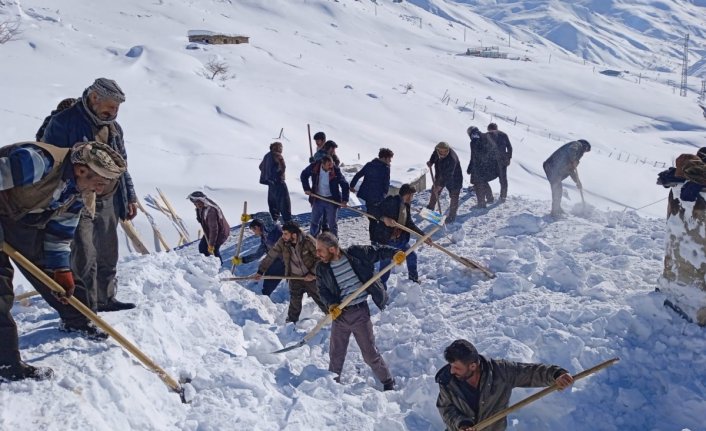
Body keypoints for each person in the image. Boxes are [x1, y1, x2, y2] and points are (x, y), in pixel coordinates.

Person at [0, 140, 127, 381]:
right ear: (81, 170)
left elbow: (59, 235)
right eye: (98, 183)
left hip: (19, 218)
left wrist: (60, 269)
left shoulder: (78, 192)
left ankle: (77, 320)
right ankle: (4, 364)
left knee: (52, 272)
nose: (98, 191)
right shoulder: (37, 162)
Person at [42, 78, 137, 313]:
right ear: (94, 98)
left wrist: (130, 195)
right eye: (111, 106)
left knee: (107, 251)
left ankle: (106, 298)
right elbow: (51, 161)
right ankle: (86, 307)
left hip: (109, 197)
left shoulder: (113, 127)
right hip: (77, 196)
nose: (114, 112)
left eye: (117, 108)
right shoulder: (64, 122)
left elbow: (121, 165)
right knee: (84, 254)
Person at [315, 232, 403, 391]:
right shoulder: (322, 268)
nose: (317, 254)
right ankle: (332, 386)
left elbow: (378, 251)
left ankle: (388, 381)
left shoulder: (356, 254)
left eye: (320, 250)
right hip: (340, 314)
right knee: (336, 354)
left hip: (360, 313)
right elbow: (322, 290)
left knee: (370, 354)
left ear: (333, 249)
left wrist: (395, 253)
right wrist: (331, 304)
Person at [436, 339, 574, 431]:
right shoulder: (447, 381)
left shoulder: (501, 372)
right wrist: (461, 424)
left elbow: (531, 372)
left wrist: (556, 374)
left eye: (456, 367)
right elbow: (445, 408)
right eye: (451, 366)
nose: (452, 371)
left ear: (473, 366)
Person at [254, 221, 326, 323]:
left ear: (294, 234)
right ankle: (290, 324)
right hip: (295, 277)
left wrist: (313, 273)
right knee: (294, 302)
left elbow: (321, 258)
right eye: (283, 233)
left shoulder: (308, 241)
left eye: (285, 234)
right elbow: (271, 255)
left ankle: (334, 318)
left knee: (320, 298)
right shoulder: (282, 242)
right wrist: (261, 271)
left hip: (311, 277)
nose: (283, 236)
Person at [371, 184, 425, 285]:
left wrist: (423, 236)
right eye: (410, 195)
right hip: (387, 241)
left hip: (400, 241)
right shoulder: (391, 201)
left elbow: (409, 224)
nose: (411, 198)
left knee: (412, 256)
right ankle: (381, 290)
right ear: (406, 194)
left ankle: (413, 279)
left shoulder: (406, 206)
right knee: (386, 267)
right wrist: (384, 218)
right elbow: (373, 210)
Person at [232, 219, 284, 296]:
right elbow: (258, 254)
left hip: (283, 259)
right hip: (275, 258)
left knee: (271, 275)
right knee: (268, 274)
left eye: (253, 230)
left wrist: (251, 216)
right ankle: (265, 295)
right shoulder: (264, 238)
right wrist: (242, 260)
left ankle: (265, 296)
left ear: (257, 227)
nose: (254, 233)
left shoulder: (270, 230)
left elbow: (265, 216)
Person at [300, 155, 350, 237]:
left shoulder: (335, 170)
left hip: (331, 199)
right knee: (314, 221)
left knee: (332, 224)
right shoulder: (314, 167)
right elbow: (303, 175)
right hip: (318, 198)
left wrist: (344, 200)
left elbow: (344, 185)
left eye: (332, 164)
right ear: (322, 164)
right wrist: (306, 188)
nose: (331, 167)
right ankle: (313, 240)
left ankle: (334, 242)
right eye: (328, 165)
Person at [350, 148, 393, 241]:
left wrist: (352, 186)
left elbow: (358, 175)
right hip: (377, 198)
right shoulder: (385, 168)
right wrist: (384, 195)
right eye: (389, 159)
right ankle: (377, 240)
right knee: (379, 218)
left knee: (372, 218)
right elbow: (386, 184)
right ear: (385, 158)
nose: (390, 161)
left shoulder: (370, 165)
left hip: (367, 196)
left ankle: (372, 240)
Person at [543, 140, 591, 217]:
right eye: (585, 151)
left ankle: (557, 208)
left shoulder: (574, 158)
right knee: (557, 187)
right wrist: (574, 159)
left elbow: (571, 171)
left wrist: (577, 182)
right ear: (585, 146)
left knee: (558, 187)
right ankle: (555, 211)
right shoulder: (577, 144)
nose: (584, 154)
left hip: (553, 168)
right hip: (552, 166)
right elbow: (572, 149)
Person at [187, 191, 230, 262]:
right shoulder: (202, 206)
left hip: (220, 233)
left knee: (214, 251)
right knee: (202, 247)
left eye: (195, 203)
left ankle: (218, 266)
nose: (194, 205)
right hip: (209, 230)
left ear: (200, 201)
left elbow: (214, 230)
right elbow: (201, 216)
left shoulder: (211, 211)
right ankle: (208, 264)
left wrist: (211, 245)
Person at [427, 142, 463, 223]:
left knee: (454, 196)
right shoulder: (437, 151)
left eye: (445, 151)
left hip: (454, 178)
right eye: (441, 151)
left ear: (448, 150)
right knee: (434, 190)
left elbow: (448, 175)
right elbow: (434, 154)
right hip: (441, 174)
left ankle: (452, 216)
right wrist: (431, 162)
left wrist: (440, 186)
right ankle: (430, 207)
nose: (443, 153)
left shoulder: (452, 159)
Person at [259, 141, 292, 223]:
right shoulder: (277, 155)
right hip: (279, 183)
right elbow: (283, 165)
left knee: (273, 208)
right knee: (285, 205)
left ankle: (274, 225)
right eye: (280, 147)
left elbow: (260, 167)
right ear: (276, 147)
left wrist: (269, 175)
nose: (281, 149)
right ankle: (288, 226)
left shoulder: (266, 156)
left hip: (271, 185)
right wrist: (280, 173)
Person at [466, 127, 499, 208]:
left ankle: (481, 203)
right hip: (488, 164)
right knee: (483, 181)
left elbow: (474, 155)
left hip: (479, 165)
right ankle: (490, 198)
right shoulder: (485, 136)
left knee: (478, 184)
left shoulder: (474, 139)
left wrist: (471, 167)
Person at [486, 123, 512, 202]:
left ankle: (489, 196)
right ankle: (503, 196)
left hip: (492, 161)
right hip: (503, 160)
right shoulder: (504, 135)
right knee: (503, 179)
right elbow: (509, 147)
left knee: (484, 178)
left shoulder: (487, 135)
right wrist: (508, 158)